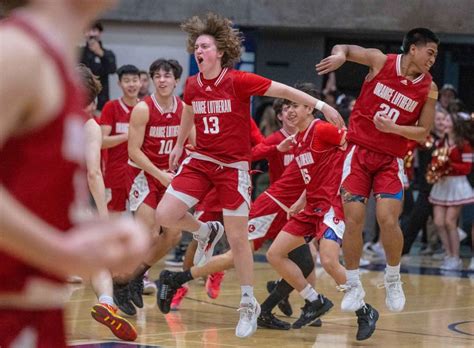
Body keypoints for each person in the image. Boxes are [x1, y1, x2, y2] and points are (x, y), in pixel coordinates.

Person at [154, 12, 343, 339]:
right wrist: (181, 141)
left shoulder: (238, 81)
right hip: (201, 160)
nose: (199, 51)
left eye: (205, 46)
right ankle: (205, 230)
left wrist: (322, 106)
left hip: (232, 168)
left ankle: (247, 303)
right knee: (166, 214)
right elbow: (188, 110)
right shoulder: (193, 84)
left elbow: (282, 89)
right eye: (196, 46)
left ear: (220, 52)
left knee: (240, 239)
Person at [0, 1, 148, 346]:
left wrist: (95, 232)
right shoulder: (18, 52)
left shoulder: (59, 64)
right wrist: (63, 252)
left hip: (40, 308)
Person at [316, 27, 439, 331]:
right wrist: (339, 56)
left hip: (389, 159)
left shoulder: (429, 88)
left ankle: (393, 278)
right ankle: (354, 284)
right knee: (354, 219)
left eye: (435, 55)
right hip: (358, 153)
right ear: (413, 48)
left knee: (387, 219)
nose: (433, 59)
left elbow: (423, 132)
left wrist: (393, 129)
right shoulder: (380, 61)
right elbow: (345, 45)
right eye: (430, 52)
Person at [112, 59, 187, 316]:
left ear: (176, 80)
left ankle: (136, 275)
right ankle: (119, 283)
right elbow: (133, 151)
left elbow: (194, 145)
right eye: (157, 76)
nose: (162, 80)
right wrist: (160, 174)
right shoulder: (143, 109)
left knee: (175, 234)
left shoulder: (185, 110)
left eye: (167, 76)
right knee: (148, 235)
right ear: (152, 80)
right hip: (143, 174)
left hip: (169, 177)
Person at [78, 64, 137, 341]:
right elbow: (93, 172)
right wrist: (102, 214)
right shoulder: (90, 125)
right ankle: (106, 301)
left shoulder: (45, 117)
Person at [428, 111, 473, 270]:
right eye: (444, 120)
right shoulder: (440, 143)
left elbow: (467, 168)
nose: (444, 123)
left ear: (456, 124)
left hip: (457, 185)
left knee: (449, 221)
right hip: (441, 185)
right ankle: (448, 254)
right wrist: (435, 170)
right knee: (439, 221)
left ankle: (456, 257)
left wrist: (448, 165)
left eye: (448, 121)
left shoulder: (464, 144)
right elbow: (435, 161)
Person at [100, 64, 141, 214]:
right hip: (115, 175)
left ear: (140, 82)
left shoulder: (145, 107)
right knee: (112, 223)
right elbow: (102, 141)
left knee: (145, 226)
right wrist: (128, 136)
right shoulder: (111, 107)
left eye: (134, 80)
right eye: (127, 80)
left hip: (140, 175)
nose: (131, 84)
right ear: (119, 84)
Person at [80, 21, 117, 110]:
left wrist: (101, 54)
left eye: (94, 30)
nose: (91, 34)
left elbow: (112, 69)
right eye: (88, 30)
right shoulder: (79, 52)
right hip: (82, 98)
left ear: (100, 33)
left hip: (102, 99)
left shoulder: (108, 53)